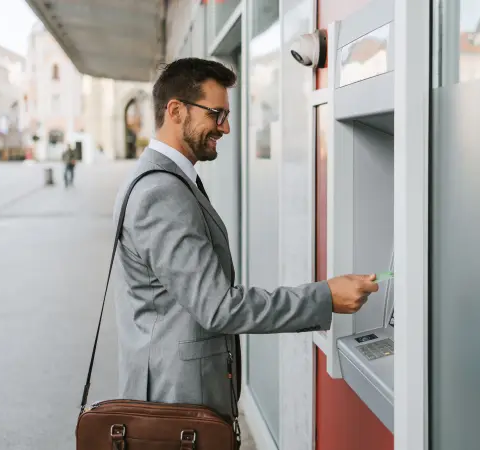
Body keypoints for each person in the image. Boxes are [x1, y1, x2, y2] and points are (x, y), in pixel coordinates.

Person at [112, 58, 379, 421]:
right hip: (176, 405)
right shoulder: (162, 193)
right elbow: (218, 307)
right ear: (176, 110)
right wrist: (325, 296)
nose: (226, 127)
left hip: (174, 393)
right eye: (216, 114)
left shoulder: (162, 179)